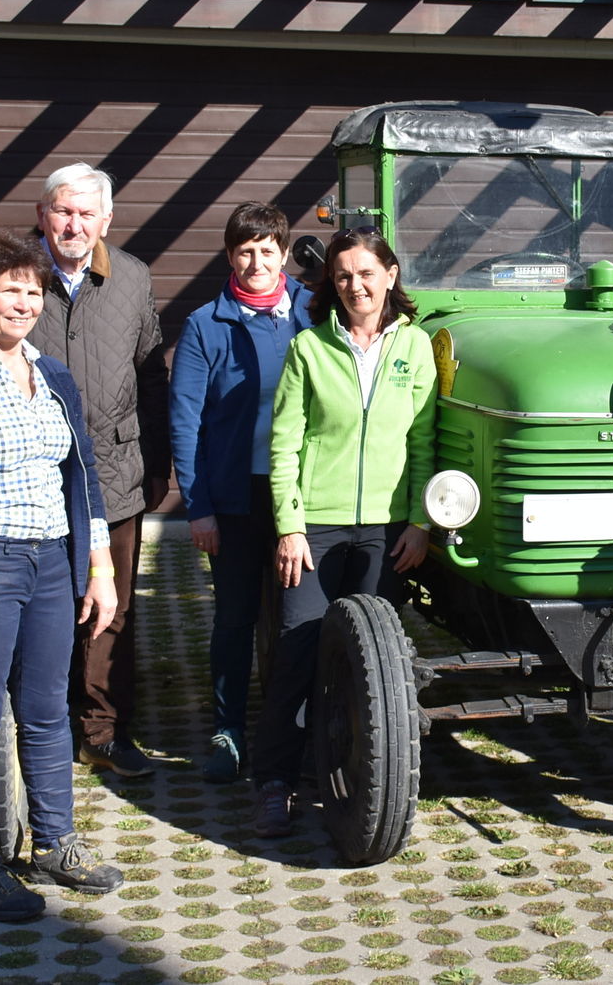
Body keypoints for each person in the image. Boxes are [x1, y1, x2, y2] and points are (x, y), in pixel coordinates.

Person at [0, 231, 126, 923]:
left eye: (32, 287)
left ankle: (54, 842)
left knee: (49, 706)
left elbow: (82, 474)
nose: (24, 300)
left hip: (53, 555)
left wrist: (98, 564)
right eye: (8, 287)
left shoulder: (51, 373)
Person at [249, 226, 437, 838]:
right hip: (318, 528)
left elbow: (424, 441)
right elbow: (285, 445)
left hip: (386, 530)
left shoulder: (416, 348)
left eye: (365, 273)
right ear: (332, 284)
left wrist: (419, 523)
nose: (356, 286)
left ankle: (362, 775)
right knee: (298, 649)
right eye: (343, 276)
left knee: (371, 660)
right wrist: (290, 526)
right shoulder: (310, 349)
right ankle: (275, 782)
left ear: (390, 274)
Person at [27, 162, 171, 778]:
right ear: (43, 215)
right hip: (30, 475)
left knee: (109, 609)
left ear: (106, 221)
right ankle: (39, 726)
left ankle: (105, 731)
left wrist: (158, 464)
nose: (74, 224)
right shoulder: (13, 275)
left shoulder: (134, 278)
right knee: (38, 602)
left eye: (88, 214)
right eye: (63, 211)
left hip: (113, 471)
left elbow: (149, 376)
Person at [170, 202, 315, 783]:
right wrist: (198, 507)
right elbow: (185, 420)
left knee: (298, 618)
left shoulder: (313, 310)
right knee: (234, 619)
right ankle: (228, 731)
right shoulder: (207, 323)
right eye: (244, 251)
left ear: (283, 253)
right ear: (230, 256)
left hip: (301, 496)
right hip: (234, 500)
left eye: (266, 250)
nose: (256, 261)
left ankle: (297, 727)